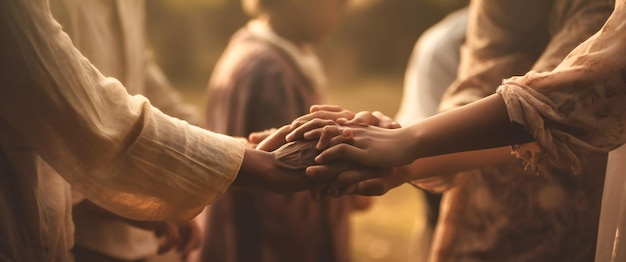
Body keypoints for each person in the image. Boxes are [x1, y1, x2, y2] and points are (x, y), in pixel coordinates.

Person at [0, 1, 383, 260]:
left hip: (127, 223)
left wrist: (223, 149)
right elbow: (66, 98)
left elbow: (138, 72)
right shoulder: (266, 70)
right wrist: (242, 161)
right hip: (64, 219)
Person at [283, 0, 626, 260]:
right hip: (478, 217)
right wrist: (397, 150)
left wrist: (406, 144)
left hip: (573, 212)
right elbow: (473, 90)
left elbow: (566, 98)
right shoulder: (494, 10)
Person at [200, 0, 371, 261]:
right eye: (337, 2)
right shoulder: (269, 72)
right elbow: (290, 192)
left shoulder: (251, 48)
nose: (342, 10)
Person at [49, 0, 202, 261]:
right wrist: (119, 201)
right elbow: (46, 101)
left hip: (142, 237)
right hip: (77, 235)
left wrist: (222, 147)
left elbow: (140, 70)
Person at [394, 7, 467, 262]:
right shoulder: (466, 34)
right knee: (443, 228)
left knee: (432, 224)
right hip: (441, 149)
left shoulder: (441, 32)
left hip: (418, 138)